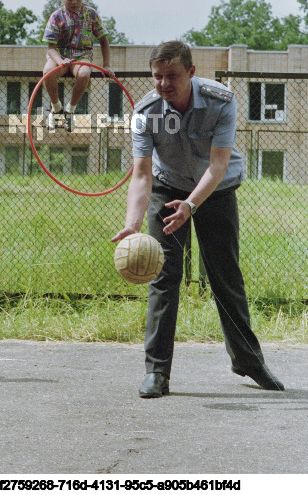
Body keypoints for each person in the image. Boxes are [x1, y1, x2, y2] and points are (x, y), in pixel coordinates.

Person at [112, 40, 284, 397]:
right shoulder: (145, 111)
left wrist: (191, 204)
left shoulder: (221, 100)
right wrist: (132, 223)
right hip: (167, 186)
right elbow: (142, 174)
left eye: (172, 76)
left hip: (215, 189)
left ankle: (249, 361)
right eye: (157, 76)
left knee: (225, 276)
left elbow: (218, 164)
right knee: (163, 275)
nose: (163, 84)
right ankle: (157, 373)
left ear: (190, 72)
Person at [42, 0, 114, 131]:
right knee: (48, 72)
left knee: (84, 73)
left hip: (82, 55)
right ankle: (56, 108)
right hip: (60, 54)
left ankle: (70, 109)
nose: (74, 2)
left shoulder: (91, 14)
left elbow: (103, 40)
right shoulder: (56, 16)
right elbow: (51, 48)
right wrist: (60, 61)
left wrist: (106, 65)